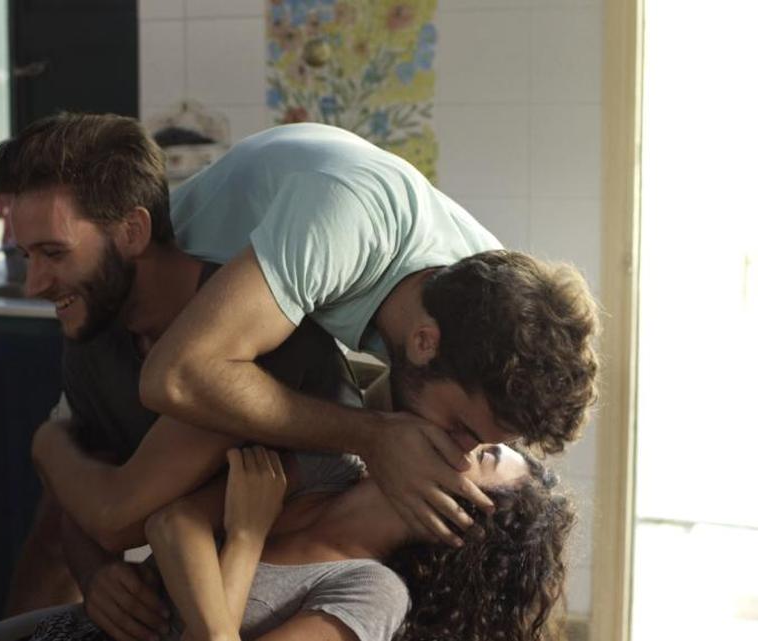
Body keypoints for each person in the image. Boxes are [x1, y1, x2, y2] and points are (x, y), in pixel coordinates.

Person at [0, 112, 378, 635]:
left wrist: (45, 444)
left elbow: (116, 516)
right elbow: (81, 483)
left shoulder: (247, 331)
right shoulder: (95, 330)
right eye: (27, 255)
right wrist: (95, 573)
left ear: (132, 231)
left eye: (54, 253)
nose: (34, 284)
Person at [134, 121, 600, 546]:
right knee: (118, 518)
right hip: (137, 301)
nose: (460, 456)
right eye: (461, 429)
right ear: (424, 341)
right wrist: (371, 437)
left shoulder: (489, 300)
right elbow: (175, 376)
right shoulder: (347, 224)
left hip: (226, 326)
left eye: (484, 446)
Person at [0, 442, 573, 641]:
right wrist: (98, 580)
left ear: (465, 522)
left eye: (485, 456)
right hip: (60, 629)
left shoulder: (372, 593)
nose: (464, 441)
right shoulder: (333, 466)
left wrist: (248, 531)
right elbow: (171, 522)